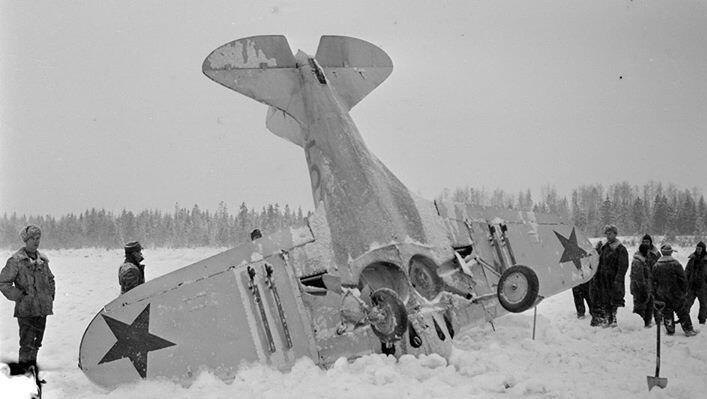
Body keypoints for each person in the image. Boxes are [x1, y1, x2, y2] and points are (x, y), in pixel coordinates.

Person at [0, 225, 55, 367]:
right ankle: (24, 376)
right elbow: (3, 282)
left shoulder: (42, 261)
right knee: (27, 345)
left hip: (42, 310)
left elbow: (50, 279)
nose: (36, 242)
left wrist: (49, 296)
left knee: (37, 344)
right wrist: (18, 296)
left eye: (38, 239)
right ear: (26, 240)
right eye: (33, 239)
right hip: (26, 311)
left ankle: (31, 371)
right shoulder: (16, 261)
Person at [652, 243, 698, 337]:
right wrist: (684, 291)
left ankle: (670, 329)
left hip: (662, 294)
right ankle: (688, 329)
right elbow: (683, 279)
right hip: (676, 293)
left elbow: (653, 282)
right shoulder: (676, 264)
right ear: (670, 252)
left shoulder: (656, 266)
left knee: (667, 312)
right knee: (682, 311)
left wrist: (656, 293)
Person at [590, 225, 628, 327]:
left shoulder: (621, 249)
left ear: (615, 234)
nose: (608, 235)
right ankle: (607, 318)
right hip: (604, 280)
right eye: (606, 233)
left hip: (614, 280)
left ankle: (613, 319)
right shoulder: (604, 247)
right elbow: (600, 263)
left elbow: (623, 266)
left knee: (614, 301)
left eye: (610, 233)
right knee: (605, 300)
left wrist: (618, 279)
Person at [572, 241, 601, 319]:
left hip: (585, 278)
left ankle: (590, 311)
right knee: (581, 296)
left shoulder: (588, 253)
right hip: (578, 277)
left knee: (588, 296)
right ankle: (581, 312)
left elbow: (593, 265)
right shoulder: (584, 252)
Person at [630, 243, 654, 327]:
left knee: (649, 306)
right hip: (639, 289)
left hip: (647, 288)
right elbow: (638, 279)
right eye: (648, 251)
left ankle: (647, 323)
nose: (649, 253)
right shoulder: (637, 262)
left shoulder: (644, 260)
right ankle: (637, 325)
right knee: (639, 308)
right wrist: (643, 290)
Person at [684, 241, 707, 325]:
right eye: (697, 248)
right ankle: (685, 320)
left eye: (700, 249)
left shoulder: (706, 260)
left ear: (703, 249)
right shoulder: (692, 260)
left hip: (703, 287)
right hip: (692, 286)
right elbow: (687, 271)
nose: (698, 250)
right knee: (687, 304)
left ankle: (702, 321)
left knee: (704, 305)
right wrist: (685, 282)